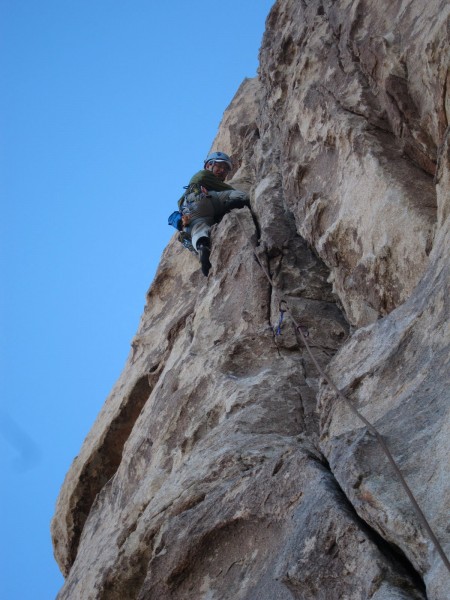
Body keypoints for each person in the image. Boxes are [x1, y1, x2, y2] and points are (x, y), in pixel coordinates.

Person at [177, 151, 250, 276]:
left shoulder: (187, 191)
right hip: (205, 200)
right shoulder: (204, 175)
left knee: (199, 228)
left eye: (225, 169)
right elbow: (228, 189)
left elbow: (181, 205)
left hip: (192, 211)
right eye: (219, 166)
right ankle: (232, 204)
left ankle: (202, 246)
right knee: (239, 195)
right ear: (208, 165)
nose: (222, 171)